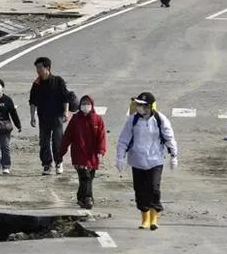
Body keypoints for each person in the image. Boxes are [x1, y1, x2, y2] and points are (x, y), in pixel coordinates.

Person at [116, 92, 178, 231]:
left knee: (153, 188)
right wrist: (120, 157)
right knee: (140, 190)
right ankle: (144, 218)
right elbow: (123, 140)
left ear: (149, 106)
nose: (139, 107)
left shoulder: (160, 119)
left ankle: (154, 218)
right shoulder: (132, 120)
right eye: (138, 104)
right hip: (137, 160)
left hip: (155, 160)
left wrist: (174, 155)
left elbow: (169, 137)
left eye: (142, 105)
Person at [60, 95, 107, 209]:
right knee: (85, 176)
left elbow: (102, 136)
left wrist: (101, 149)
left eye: (87, 104)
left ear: (92, 105)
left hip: (92, 155)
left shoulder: (97, 119)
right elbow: (67, 136)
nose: (85, 106)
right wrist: (62, 150)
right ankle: (88, 198)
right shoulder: (76, 119)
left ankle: (81, 197)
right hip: (79, 153)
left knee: (89, 177)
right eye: (83, 104)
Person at [29, 57, 70, 175]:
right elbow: (32, 101)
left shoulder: (58, 81)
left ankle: (59, 162)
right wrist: (32, 116)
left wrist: (66, 112)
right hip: (43, 117)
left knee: (57, 141)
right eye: (36, 68)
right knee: (44, 142)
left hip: (57, 116)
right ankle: (47, 164)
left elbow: (65, 98)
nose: (37, 70)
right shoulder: (37, 84)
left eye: (39, 67)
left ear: (47, 68)